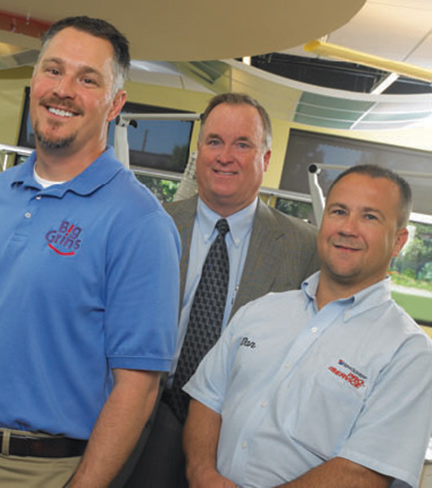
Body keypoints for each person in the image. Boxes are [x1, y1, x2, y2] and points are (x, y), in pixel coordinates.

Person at [0, 16, 181, 488]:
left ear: (115, 104)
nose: (63, 90)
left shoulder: (141, 224)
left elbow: (138, 387)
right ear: (33, 82)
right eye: (53, 70)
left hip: (31, 471)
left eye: (88, 79)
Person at [184, 164, 432, 488]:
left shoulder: (408, 353)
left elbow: (364, 472)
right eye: (339, 211)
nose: (348, 228)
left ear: (399, 241)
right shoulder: (262, 310)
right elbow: (206, 398)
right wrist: (202, 474)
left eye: (369, 217)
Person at [122, 92, 320, 487]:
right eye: (214, 141)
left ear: (264, 159)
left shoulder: (306, 248)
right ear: (199, 152)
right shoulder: (149, 225)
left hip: (240, 436)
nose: (224, 156)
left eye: (242, 144)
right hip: (147, 417)